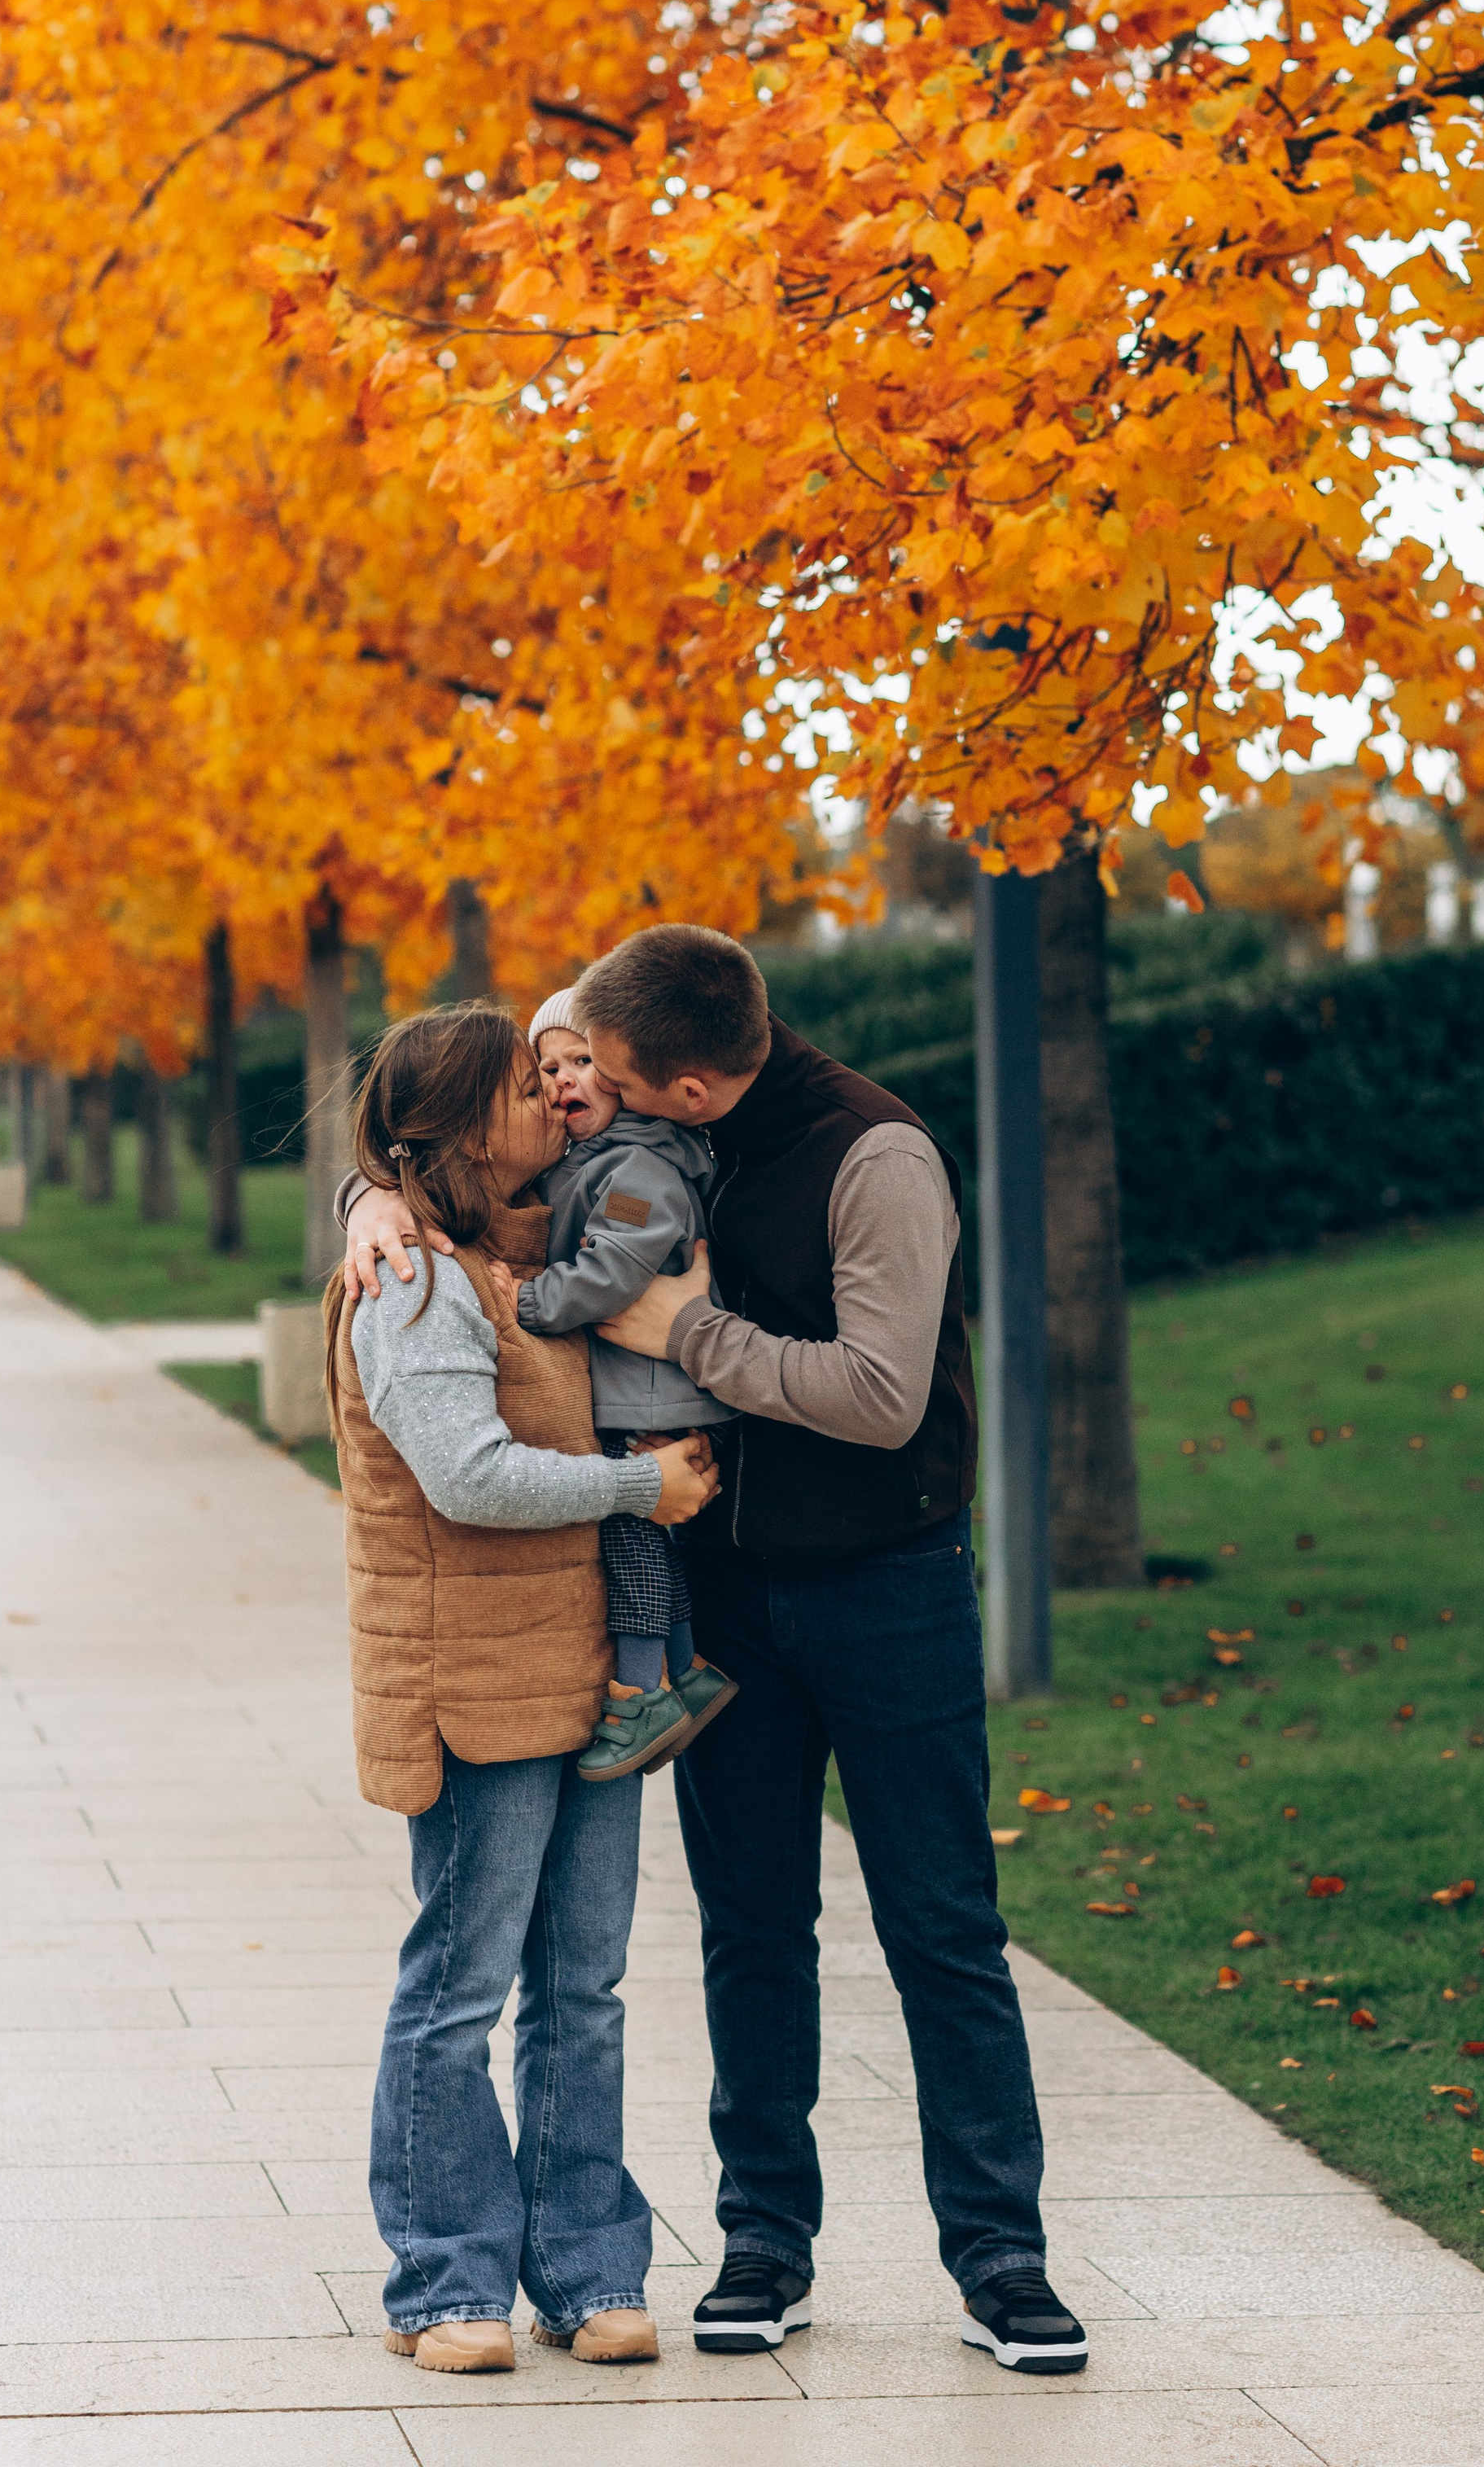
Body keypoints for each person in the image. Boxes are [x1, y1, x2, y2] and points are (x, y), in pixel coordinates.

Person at [344, 930, 1088, 2378]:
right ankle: (763, 2244)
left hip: (889, 1582)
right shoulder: (629, 1110)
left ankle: (1001, 2258)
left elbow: (878, 1396)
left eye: (599, 1079)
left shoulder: (876, 1158)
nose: (574, 1098)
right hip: (720, 1590)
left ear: (685, 1087)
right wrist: (369, 1196)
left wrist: (687, 1325)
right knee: (753, 1930)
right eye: (567, 1079)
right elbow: (442, 1147)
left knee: (942, 1925)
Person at [325, 1001, 719, 2375]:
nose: (553, 1098)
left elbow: (638, 1167)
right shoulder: (415, 1285)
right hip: (476, 1683)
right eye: (519, 1085)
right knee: (462, 1986)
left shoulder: (518, 1245)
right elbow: (471, 1477)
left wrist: (361, 1190)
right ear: (454, 1127)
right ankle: (446, 2284)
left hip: (579, 1679)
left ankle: (590, 2270)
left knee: (583, 1985)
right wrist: (639, 1488)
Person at [519, 990, 738, 1781]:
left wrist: (527, 1305)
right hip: (638, 1390)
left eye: (582, 1061)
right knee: (645, 1535)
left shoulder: (640, 1167)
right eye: (547, 1066)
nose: (562, 1080)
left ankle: (639, 1692)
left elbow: (614, 1265)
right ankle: (685, 1672)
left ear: (622, 1070)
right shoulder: (594, 1158)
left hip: (653, 1393)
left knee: (630, 1536)